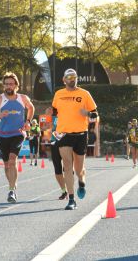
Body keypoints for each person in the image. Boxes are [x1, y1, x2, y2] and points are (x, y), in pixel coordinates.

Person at [51, 68, 98, 210]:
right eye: (69, 77)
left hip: (80, 134)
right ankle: (71, 199)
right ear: (64, 80)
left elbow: (95, 115)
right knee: (67, 165)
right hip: (64, 134)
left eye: (75, 76)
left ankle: (82, 182)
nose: (72, 79)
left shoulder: (84, 94)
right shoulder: (58, 94)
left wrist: (88, 113)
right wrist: (53, 129)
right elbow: (54, 112)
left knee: (78, 169)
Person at [0, 72, 34, 203]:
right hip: (3, 135)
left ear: (16, 85)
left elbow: (31, 108)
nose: (8, 86)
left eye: (11, 84)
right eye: (6, 84)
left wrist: (28, 122)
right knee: (7, 165)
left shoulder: (22, 98)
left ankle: (11, 190)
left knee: (12, 160)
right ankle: (12, 183)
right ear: (3, 86)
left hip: (18, 133)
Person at [46, 107, 67, 200]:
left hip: (67, 143)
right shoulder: (52, 113)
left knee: (68, 169)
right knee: (57, 169)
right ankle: (64, 191)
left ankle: (70, 190)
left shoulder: (68, 112)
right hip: (54, 143)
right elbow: (44, 126)